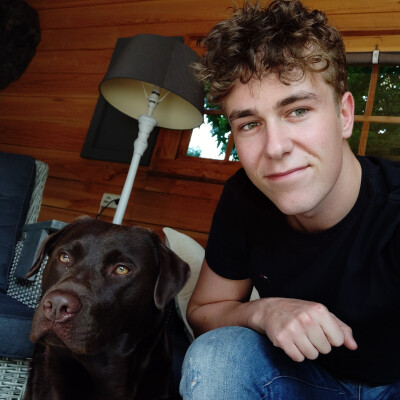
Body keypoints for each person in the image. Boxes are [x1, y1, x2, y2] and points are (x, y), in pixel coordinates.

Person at [179, 0, 400, 399]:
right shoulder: (244, 198)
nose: (275, 147)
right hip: (301, 381)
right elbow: (202, 312)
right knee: (216, 356)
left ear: (344, 115)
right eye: (250, 124)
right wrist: (263, 310)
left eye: (297, 110)